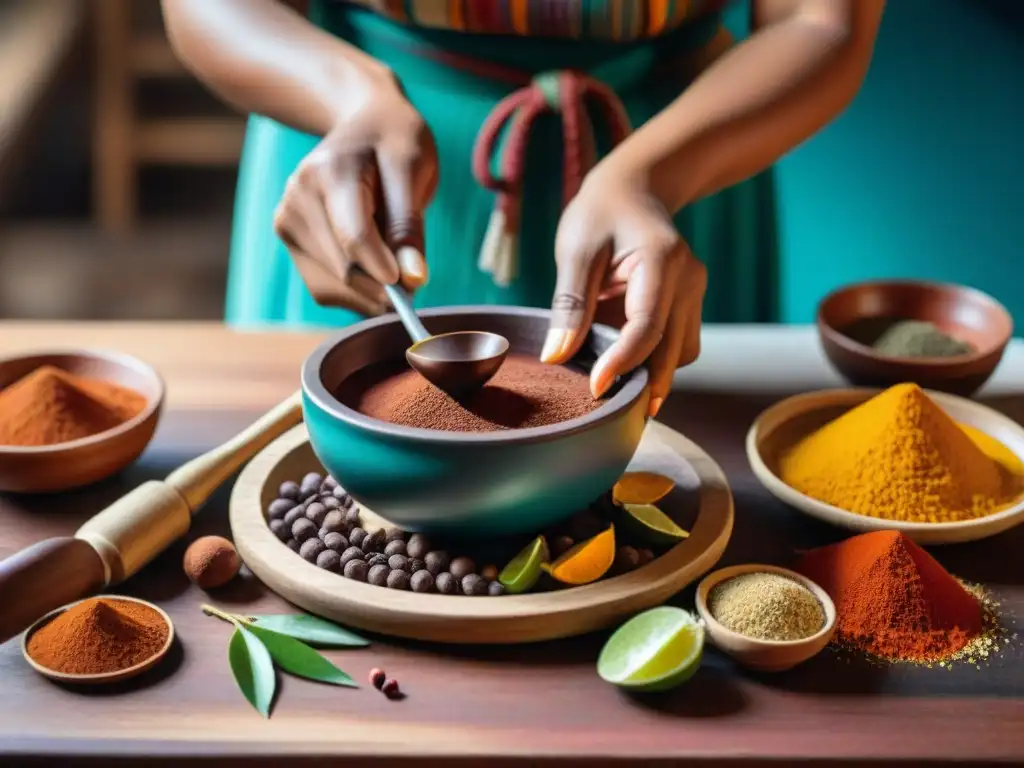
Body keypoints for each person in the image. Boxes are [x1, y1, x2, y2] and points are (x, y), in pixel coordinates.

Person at [162, 0, 884, 416]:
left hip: (679, 161)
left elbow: (820, 22)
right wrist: (347, 97)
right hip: (362, 165)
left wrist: (650, 175)